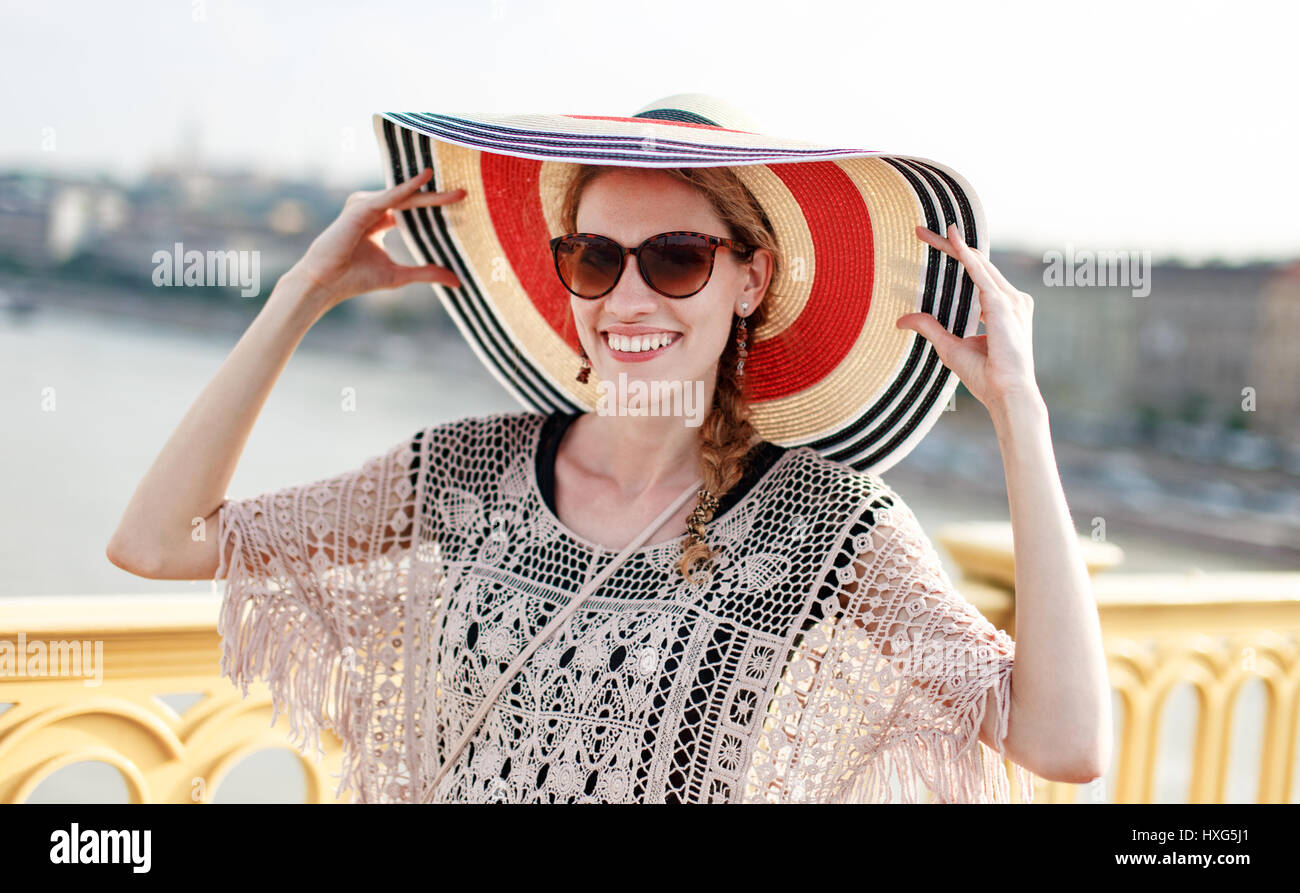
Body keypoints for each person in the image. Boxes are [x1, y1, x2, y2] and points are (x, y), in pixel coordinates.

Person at [107, 94, 1110, 804]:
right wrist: (300, 298)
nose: (627, 299)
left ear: (750, 278)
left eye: (676, 258)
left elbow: (1061, 741)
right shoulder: (462, 472)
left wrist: (1022, 416)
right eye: (593, 257)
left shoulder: (826, 524)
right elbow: (159, 541)